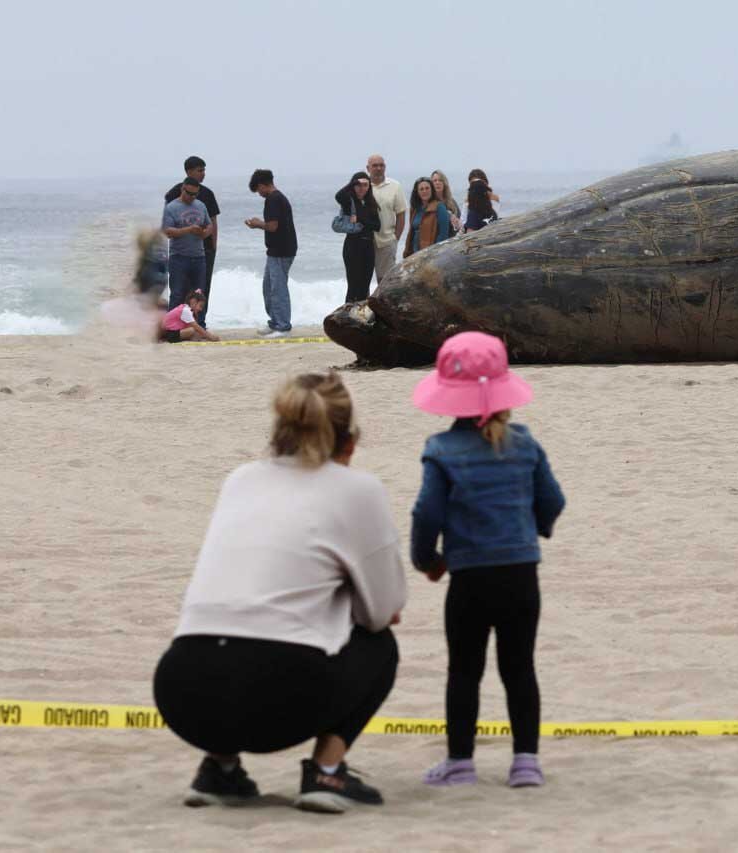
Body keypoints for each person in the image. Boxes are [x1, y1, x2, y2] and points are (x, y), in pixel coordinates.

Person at [153, 371, 407, 814]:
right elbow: (382, 612)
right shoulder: (357, 488)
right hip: (283, 690)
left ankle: (220, 769)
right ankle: (327, 772)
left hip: (183, 688)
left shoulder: (241, 478)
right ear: (349, 441)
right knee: (380, 646)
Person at [409, 331, 566, 789]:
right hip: (521, 575)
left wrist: (427, 560)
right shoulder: (523, 443)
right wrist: (531, 530)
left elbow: (426, 513)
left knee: (465, 670)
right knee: (519, 668)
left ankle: (460, 762)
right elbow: (552, 501)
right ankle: (526, 763)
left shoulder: (441, 450)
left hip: (469, 578)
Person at [164, 157, 220, 328]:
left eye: (204, 170)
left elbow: (212, 222)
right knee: (179, 291)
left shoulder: (206, 196)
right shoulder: (173, 195)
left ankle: (200, 323)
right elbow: (167, 228)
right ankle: (175, 326)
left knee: (201, 291)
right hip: (179, 253)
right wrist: (188, 230)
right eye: (199, 170)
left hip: (203, 252)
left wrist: (212, 245)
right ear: (188, 172)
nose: (203, 174)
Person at [245, 169, 298, 338]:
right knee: (268, 287)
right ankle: (275, 322)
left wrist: (257, 223)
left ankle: (283, 326)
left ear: (262, 185)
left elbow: (273, 226)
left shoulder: (273, 199)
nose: (259, 194)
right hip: (276, 250)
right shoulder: (276, 198)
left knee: (278, 288)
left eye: (258, 190)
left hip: (282, 250)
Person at [161, 177, 213, 309]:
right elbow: (167, 231)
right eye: (188, 193)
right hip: (179, 257)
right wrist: (188, 229)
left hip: (199, 257)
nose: (191, 197)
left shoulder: (201, 205)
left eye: (195, 194)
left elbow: (209, 225)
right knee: (177, 294)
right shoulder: (171, 207)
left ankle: (198, 325)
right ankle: (172, 328)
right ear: (182, 189)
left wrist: (204, 233)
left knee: (198, 295)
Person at [334, 171, 381, 303]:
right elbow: (338, 195)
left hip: (368, 247)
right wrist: (353, 182)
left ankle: (359, 318)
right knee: (353, 286)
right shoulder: (349, 202)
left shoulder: (371, 203)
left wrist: (359, 219)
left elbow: (377, 226)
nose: (362, 188)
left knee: (364, 286)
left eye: (365, 185)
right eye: (358, 185)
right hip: (353, 246)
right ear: (353, 186)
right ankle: (345, 318)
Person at [366, 154, 407, 282]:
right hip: (365, 242)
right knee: (363, 280)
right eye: (375, 165)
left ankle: (383, 303)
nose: (378, 168)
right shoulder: (362, 186)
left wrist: (396, 238)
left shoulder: (395, 186)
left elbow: (401, 213)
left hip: (387, 242)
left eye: (381, 165)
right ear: (368, 168)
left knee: (385, 282)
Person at [404, 177, 451, 258]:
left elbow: (443, 235)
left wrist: (435, 254)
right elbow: (411, 232)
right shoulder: (415, 209)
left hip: (431, 254)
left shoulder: (439, 207)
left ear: (432, 190)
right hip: (414, 253)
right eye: (421, 189)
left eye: (427, 188)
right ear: (417, 192)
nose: (424, 191)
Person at [462, 169, 501, 233]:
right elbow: (463, 221)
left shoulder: (493, 198)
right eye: (473, 183)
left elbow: (494, 219)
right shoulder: (468, 201)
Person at [430, 170, 462, 236]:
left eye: (440, 180)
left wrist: (457, 223)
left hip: (452, 239)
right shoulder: (430, 203)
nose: (437, 183)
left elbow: (460, 222)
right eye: (435, 181)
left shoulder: (452, 202)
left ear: (444, 183)